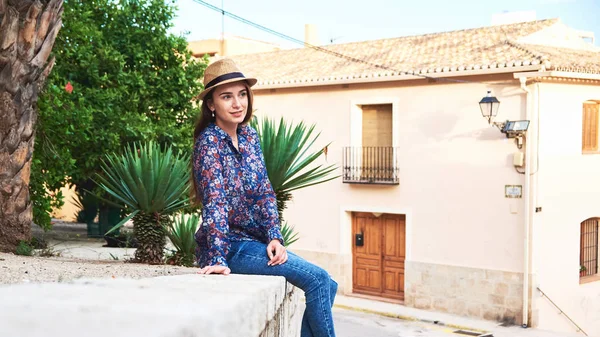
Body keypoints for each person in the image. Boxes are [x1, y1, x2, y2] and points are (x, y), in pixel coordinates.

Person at [192, 58, 337, 337]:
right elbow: (215, 203)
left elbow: (264, 192)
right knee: (318, 280)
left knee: (328, 284)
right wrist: (218, 257)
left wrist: (274, 236)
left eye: (242, 94)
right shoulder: (209, 143)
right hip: (232, 247)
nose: (237, 103)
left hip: (255, 243)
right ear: (211, 105)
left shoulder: (249, 137)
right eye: (226, 97)